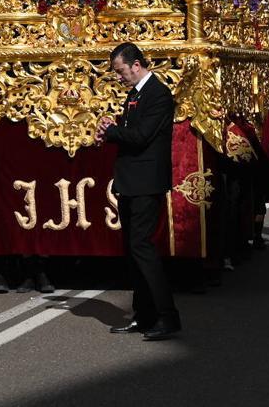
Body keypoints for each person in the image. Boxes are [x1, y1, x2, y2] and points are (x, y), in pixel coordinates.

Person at [98, 43, 180, 341]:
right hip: (132, 181)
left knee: (142, 249)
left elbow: (143, 136)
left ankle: (167, 316)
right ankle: (144, 315)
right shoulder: (136, 94)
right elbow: (132, 131)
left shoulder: (158, 94)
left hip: (147, 183)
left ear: (136, 64)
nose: (119, 77)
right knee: (134, 251)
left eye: (121, 71)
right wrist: (114, 128)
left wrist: (112, 132)